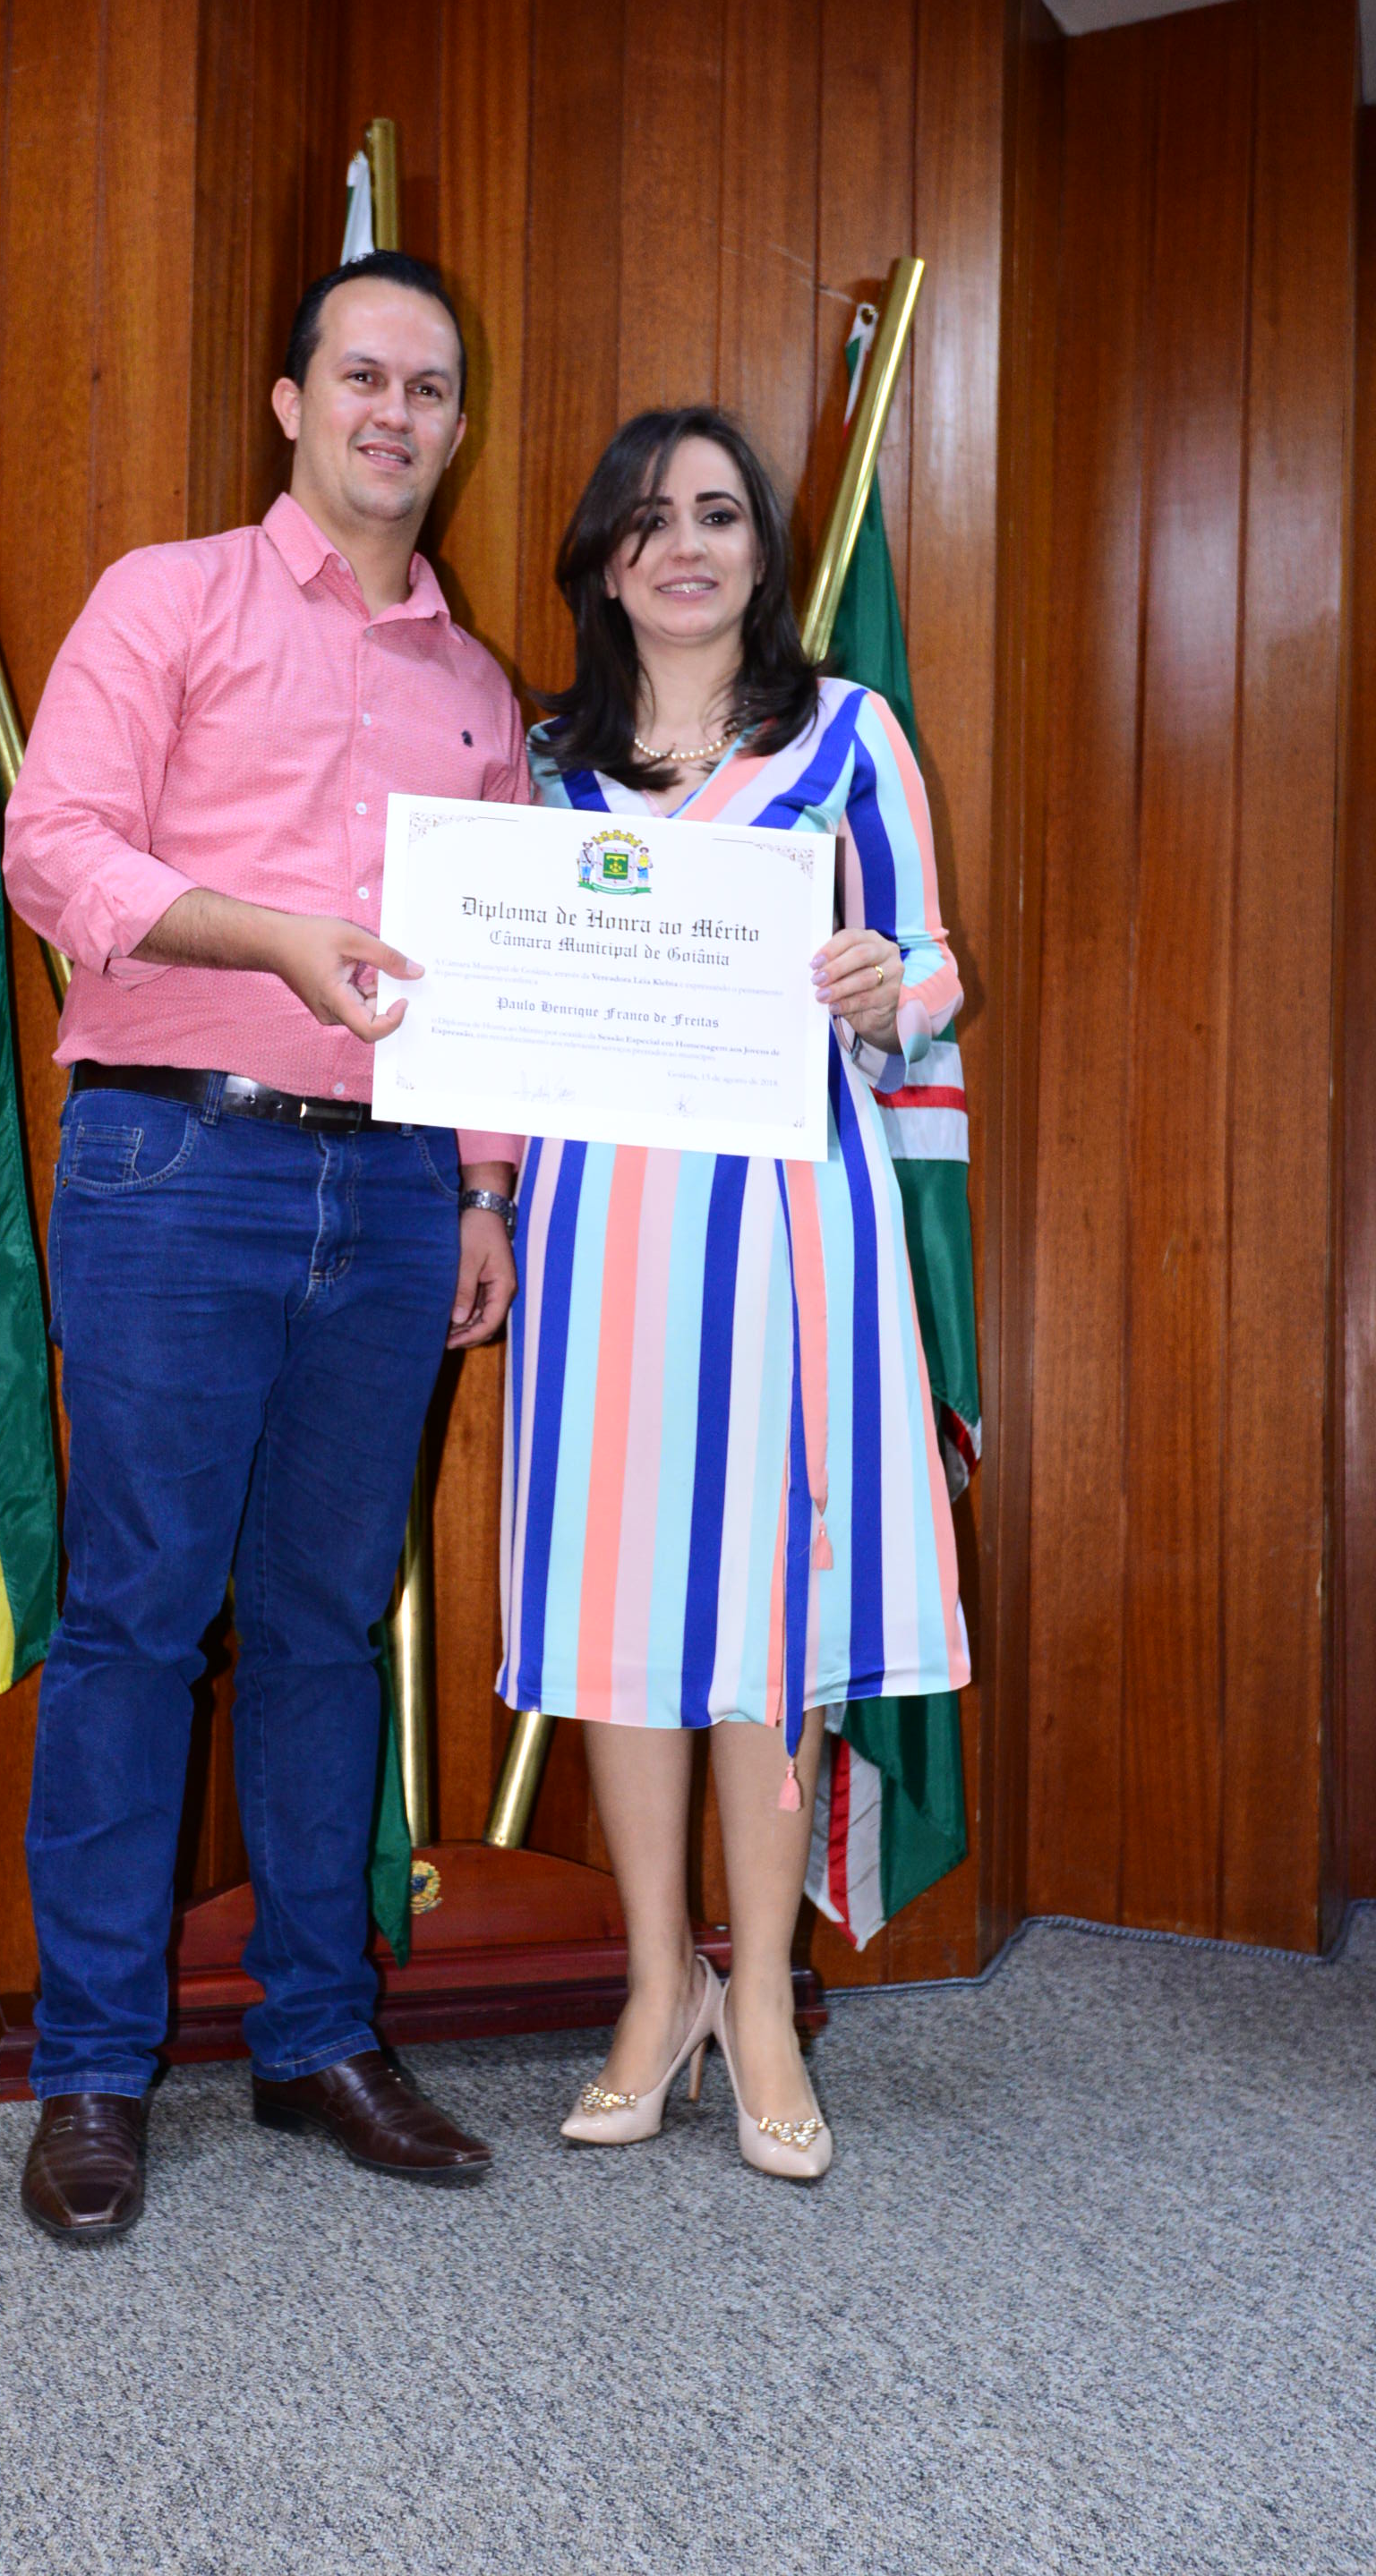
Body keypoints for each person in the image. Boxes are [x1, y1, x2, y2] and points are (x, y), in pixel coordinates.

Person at [3, 252, 526, 2243]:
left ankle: (316, 2037)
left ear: (454, 429)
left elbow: (493, 980)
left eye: (431, 388)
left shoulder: (478, 691)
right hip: (174, 1161)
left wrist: (481, 1189)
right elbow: (55, 848)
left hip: (392, 1195)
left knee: (325, 1625)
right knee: (134, 1621)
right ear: (293, 403)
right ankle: (91, 2070)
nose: (396, 412)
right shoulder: (169, 599)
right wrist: (268, 938)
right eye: (362, 376)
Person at [499, 406, 970, 2180]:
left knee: (772, 1609)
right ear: (601, 559)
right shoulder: (542, 762)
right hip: (596, 1235)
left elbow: (931, 962)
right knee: (619, 1613)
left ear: (762, 549)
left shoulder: (844, 733)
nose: (682, 545)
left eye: (715, 513)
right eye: (647, 518)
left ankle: (759, 1996)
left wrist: (882, 982)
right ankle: (656, 1985)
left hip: (787, 1235)